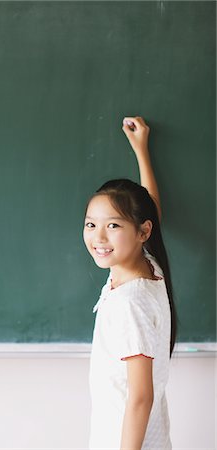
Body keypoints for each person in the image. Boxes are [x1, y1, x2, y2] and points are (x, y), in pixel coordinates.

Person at [83, 116, 177, 450]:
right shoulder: (147, 266)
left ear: (141, 232)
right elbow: (151, 210)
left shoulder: (129, 303)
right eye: (91, 225)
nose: (99, 238)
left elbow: (140, 397)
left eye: (113, 226)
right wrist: (141, 150)